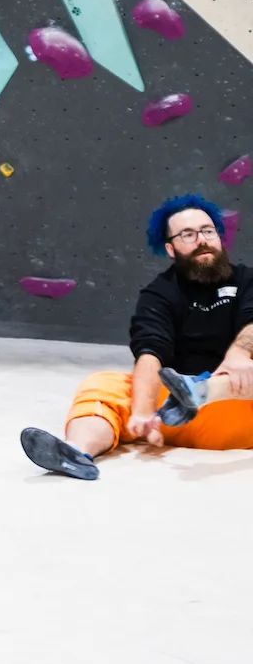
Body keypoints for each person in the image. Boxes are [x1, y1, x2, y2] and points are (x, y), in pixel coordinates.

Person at [20, 194, 253, 480]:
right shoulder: (159, 294)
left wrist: (239, 355)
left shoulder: (247, 280)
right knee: (104, 385)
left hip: (243, 407)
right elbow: (151, 351)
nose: (202, 240)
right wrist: (143, 414)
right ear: (170, 249)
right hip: (177, 414)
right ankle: (76, 453)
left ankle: (205, 390)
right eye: (188, 234)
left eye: (208, 231)